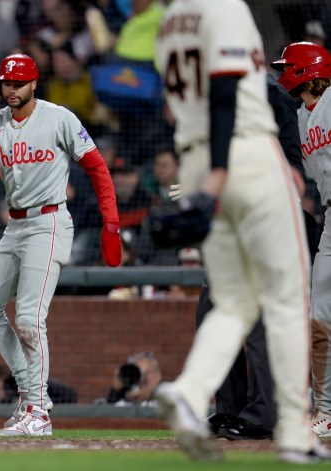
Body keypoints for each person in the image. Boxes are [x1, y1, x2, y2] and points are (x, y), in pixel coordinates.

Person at [154, 0, 328, 464]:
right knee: (288, 299)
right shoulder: (225, 9)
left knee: (230, 302)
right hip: (245, 158)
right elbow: (229, 90)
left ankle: (190, 392)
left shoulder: (168, 23)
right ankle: (293, 428)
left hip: (195, 158)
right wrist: (218, 173)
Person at [0, 53, 121, 437]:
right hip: (14, 226)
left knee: (30, 318)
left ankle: (37, 410)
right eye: (6, 83)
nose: (11, 89)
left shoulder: (59, 117)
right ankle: (32, 394)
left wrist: (111, 222)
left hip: (49, 222)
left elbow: (97, 168)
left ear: (35, 83)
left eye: (18, 83)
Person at [271, 41, 331, 440]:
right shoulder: (301, 119)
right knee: (320, 317)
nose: (281, 73)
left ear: (306, 71)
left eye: (287, 66)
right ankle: (325, 410)